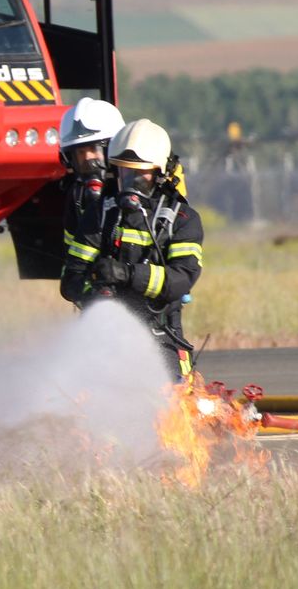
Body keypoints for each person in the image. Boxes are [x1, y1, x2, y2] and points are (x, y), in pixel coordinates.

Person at [60, 118, 204, 379]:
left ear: (160, 173)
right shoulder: (100, 214)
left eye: (141, 174)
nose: (132, 183)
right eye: (126, 173)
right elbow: (70, 283)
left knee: (173, 406)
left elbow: (181, 280)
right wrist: (96, 287)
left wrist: (127, 274)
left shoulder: (182, 220)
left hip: (160, 335)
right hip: (102, 337)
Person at [58, 97, 125, 234]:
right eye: (81, 153)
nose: (87, 158)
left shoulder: (131, 186)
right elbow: (72, 247)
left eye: (94, 150)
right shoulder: (77, 195)